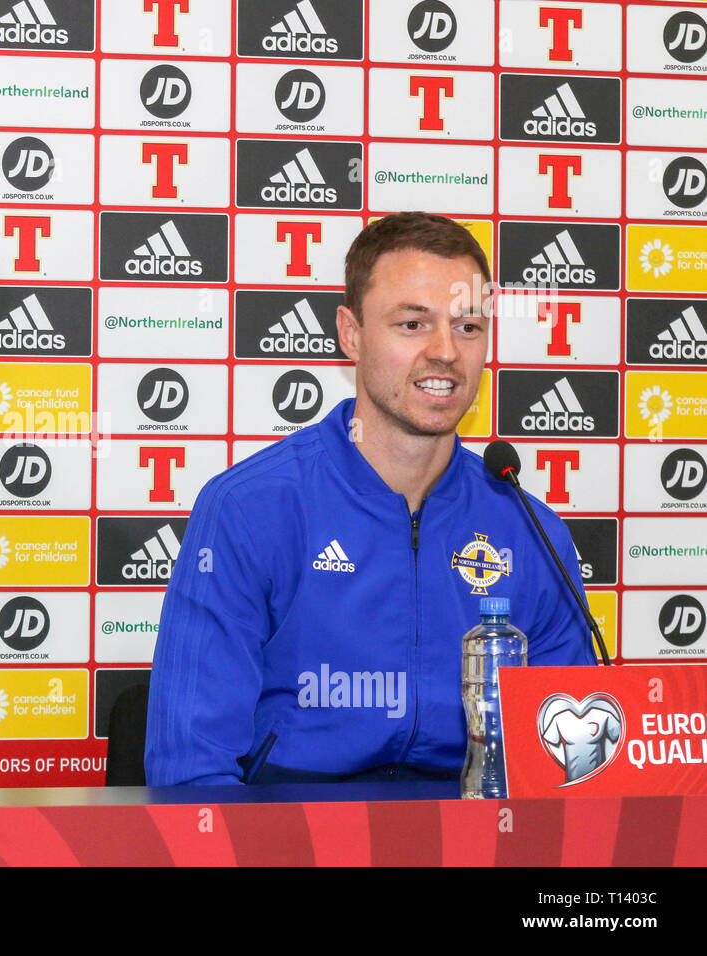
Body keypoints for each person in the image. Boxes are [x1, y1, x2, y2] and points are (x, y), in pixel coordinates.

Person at [145, 212, 597, 787]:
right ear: (350, 333)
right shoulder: (249, 508)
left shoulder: (529, 527)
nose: (446, 353)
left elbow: (575, 769)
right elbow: (190, 769)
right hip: (292, 840)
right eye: (412, 324)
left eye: (467, 327)